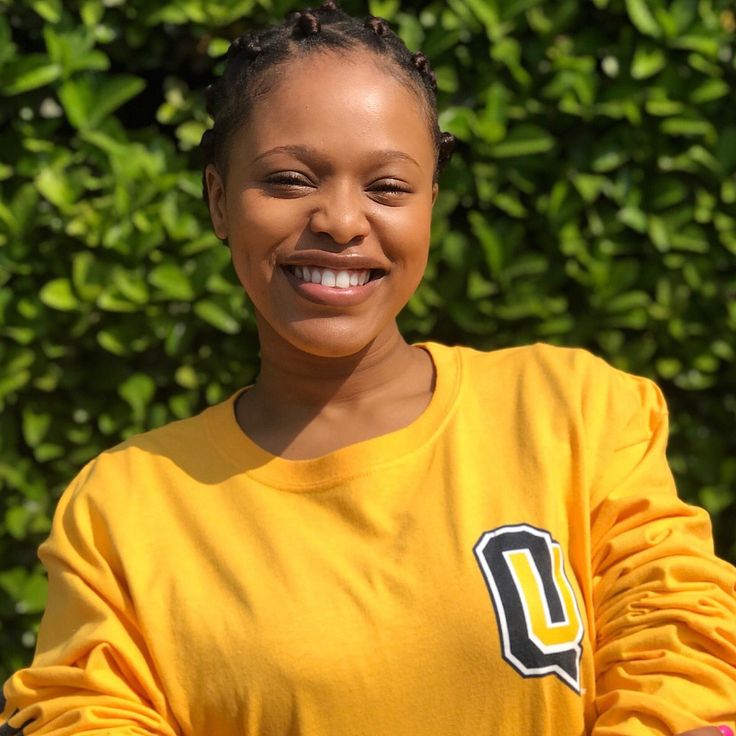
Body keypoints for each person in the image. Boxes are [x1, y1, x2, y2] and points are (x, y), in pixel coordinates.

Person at [1, 2, 735, 735]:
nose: (343, 221)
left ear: (430, 207)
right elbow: (85, 713)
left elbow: (675, 646)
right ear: (219, 201)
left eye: (387, 188)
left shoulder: (574, 412)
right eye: (289, 180)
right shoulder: (124, 511)